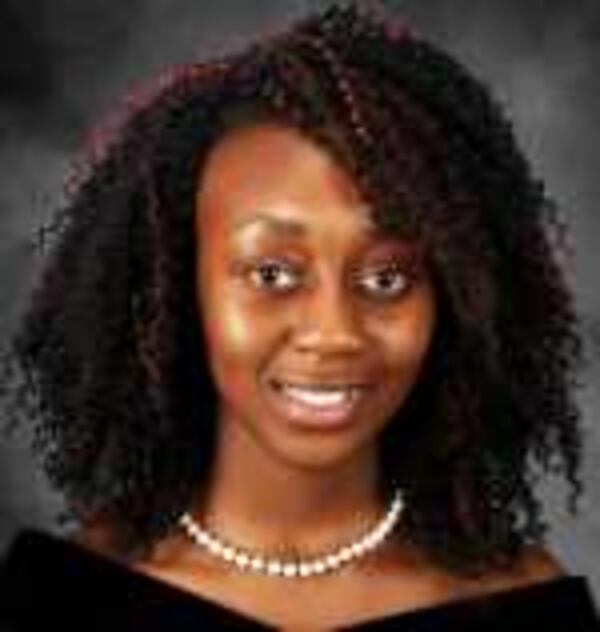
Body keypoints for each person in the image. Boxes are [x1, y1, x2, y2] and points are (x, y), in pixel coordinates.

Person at [0, 2, 598, 629]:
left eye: (386, 279)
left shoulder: (525, 606)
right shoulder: (62, 598)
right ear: (174, 289)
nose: (334, 332)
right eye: (272, 275)